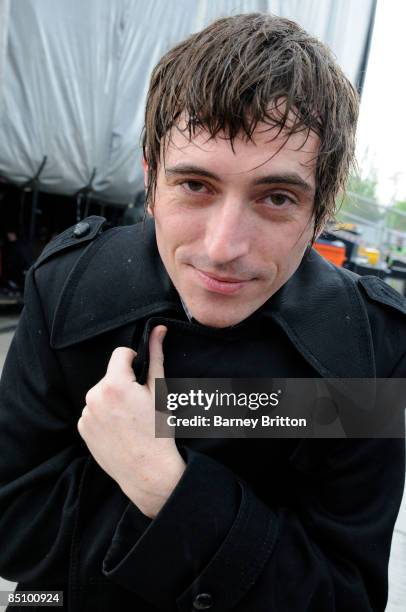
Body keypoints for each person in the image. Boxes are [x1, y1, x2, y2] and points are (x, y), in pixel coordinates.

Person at [0, 13, 405, 612]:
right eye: (195, 185)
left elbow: (344, 596)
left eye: (276, 197)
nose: (223, 248)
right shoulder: (70, 288)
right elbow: (15, 534)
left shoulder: (367, 350)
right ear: (149, 178)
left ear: (322, 211)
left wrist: (164, 483)